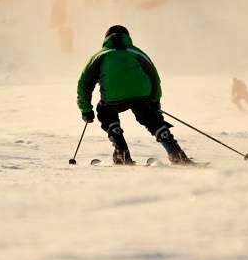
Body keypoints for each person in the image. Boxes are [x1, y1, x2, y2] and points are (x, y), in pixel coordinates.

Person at [77, 25, 193, 165]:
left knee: (105, 112)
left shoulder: (100, 55)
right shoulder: (136, 52)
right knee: (151, 119)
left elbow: (85, 84)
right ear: (128, 37)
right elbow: (154, 78)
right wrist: (154, 102)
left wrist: (86, 110)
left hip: (113, 98)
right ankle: (175, 153)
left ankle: (121, 152)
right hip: (141, 95)